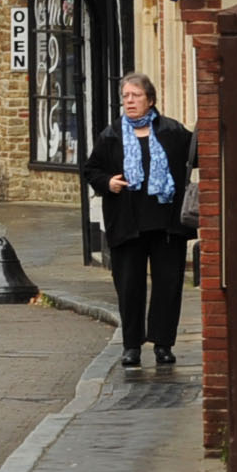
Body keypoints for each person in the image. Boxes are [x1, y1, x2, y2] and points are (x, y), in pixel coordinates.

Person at [83, 70, 196, 372]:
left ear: (151, 100)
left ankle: (163, 345)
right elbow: (91, 170)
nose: (129, 101)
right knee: (130, 286)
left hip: (167, 224)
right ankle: (131, 346)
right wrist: (109, 182)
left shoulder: (172, 132)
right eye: (125, 97)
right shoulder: (112, 136)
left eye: (136, 96)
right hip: (127, 224)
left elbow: (198, 154)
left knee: (168, 286)